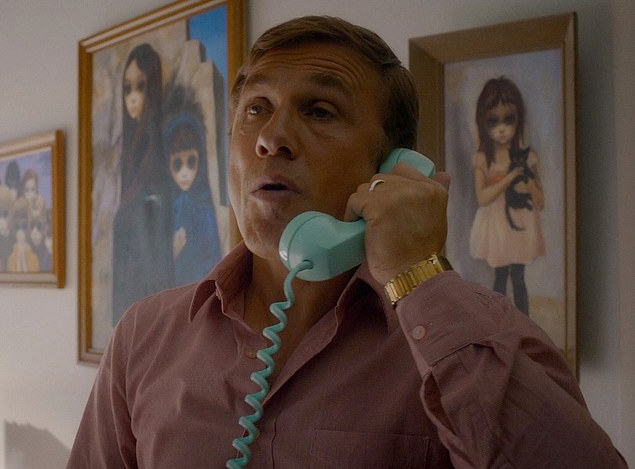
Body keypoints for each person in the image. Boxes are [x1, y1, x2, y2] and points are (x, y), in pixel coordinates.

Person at [67, 16, 626, 468]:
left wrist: (417, 274)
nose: (271, 138)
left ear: (391, 167)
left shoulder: (480, 339)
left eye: (319, 110)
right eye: (256, 109)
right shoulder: (144, 336)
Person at [469, 77, 545, 315]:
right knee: (500, 276)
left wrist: (530, 187)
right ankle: (498, 323)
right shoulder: (483, 158)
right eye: (493, 121)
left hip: (521, 224)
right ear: (483, 122)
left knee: (519, 277)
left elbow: (541, 201)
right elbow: (482, 198)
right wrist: (510, 177)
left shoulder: (528, 157)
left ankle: (525, 325)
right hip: (497, 226)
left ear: (518, 118)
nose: (501, 129)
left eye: (508, 119)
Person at [110, 43, 174, 325]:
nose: (133, 98)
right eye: (127, 89)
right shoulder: (131, 149)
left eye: (140, 87)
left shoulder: (161, 146)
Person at [165, 111, 223, 285]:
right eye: (177, 164)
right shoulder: (172, 207)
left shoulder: (204, 207)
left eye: (191, 162)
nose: (184, 173)